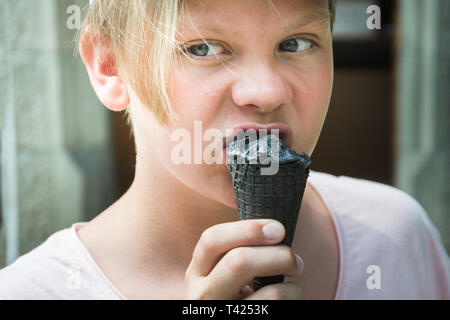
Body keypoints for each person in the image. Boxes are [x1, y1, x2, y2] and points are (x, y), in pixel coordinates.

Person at [0, 0, 449, 300]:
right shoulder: (34, 292)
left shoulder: (398, 237)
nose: (267, 92)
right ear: (109, 67)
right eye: (204, 48)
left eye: (295, 43)